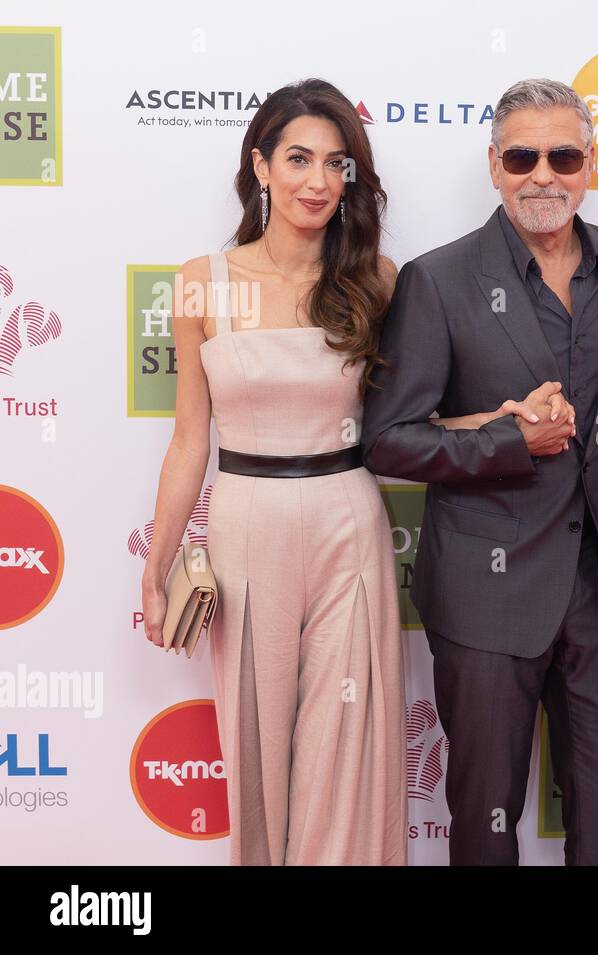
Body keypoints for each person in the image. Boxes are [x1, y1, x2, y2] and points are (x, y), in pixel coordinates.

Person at [361, 78, 598, 866]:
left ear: (591, 162)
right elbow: (388, 440)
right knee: (486, 822)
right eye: (522, 156)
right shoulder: (439, 279)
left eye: (564, 155)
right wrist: (507, 440)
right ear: (493, 164)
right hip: (488, 594)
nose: (543, 175)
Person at [140, 78, 406, 865]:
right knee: (252, 745)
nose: (318, 181)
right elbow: (191, 439)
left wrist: (506, 421)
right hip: (245, 519)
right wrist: (156, 568)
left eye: (335, 163)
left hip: (348, 520)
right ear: (260, 166)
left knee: (346, 750)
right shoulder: (202, 282)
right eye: (297, 158)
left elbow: (410, 419)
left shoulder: (378, 280)